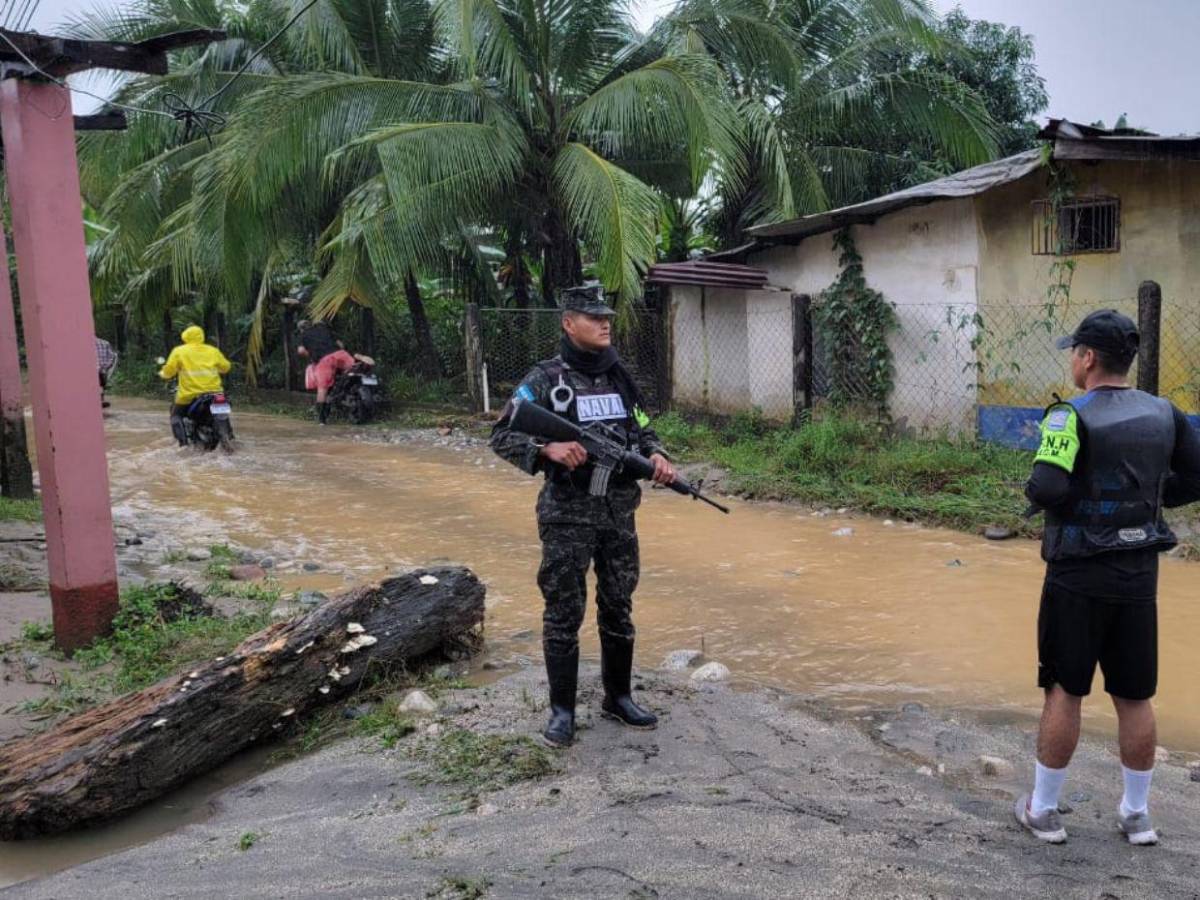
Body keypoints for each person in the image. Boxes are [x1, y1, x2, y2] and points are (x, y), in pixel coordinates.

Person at [1015, 309, 1200, 846]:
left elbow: (1047, 487)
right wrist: (1150, 502)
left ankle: (1044, 811)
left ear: (1089, 358)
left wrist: (1064, 500)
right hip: (1139, 577)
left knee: (1064, 689)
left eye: (1074, 351)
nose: (1072, 359)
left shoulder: (1066, 416)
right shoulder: (1166, 413)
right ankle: (1136, 815)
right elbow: (1197, 473)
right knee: (1135, 696)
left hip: (1077, 576)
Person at [490, 285, 676, 748]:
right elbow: (502, 434)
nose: (605, 324)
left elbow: (643, 428)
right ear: (568, 323)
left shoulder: (619, 377)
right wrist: (544, 449)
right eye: (593, 318)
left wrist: (657, 457)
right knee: (563, 610)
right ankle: (562, 712)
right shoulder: (545, 378)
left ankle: (618, 698)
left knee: (618, 604)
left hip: (618, 514)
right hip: (566, 514)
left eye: (607, 316)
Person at [159, 325, 232, 446]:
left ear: (185, 337)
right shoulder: (213, 351)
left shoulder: (179, 351)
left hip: (189, 396)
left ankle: (183, 444)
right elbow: (226, 367)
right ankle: (227, 437)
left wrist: (163, 373)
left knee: (175, 415)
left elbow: (169, 371)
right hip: (216, 394)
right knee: (223, 413)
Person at [297, 319, 349, 425]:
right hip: (340, 355)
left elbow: (301, 351)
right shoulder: (323, 329)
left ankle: (322, 420)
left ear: (301, 329)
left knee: (322, 389)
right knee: (350, 372)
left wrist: (310, 354)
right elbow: (341, 344)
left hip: (323, 361)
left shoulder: (304, 335)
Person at [95, 336, 117, 408]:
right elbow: (112, 357)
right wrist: (106, 367)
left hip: (96, 372)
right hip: (103, 371)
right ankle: (100, 398)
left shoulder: (84, 343)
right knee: (101, 384)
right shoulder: (105, 343)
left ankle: (100, 399)